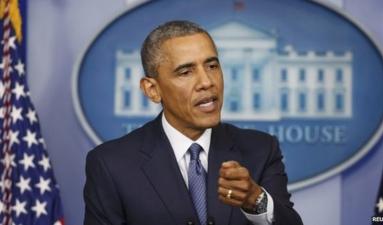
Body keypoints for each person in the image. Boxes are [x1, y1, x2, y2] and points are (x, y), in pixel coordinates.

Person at [84, 20, 303, 225]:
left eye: (212, 66)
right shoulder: (110, 164)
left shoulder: (261, 150)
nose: (207, 82)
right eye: (186, 72)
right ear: (153, 90)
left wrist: (256, 200)